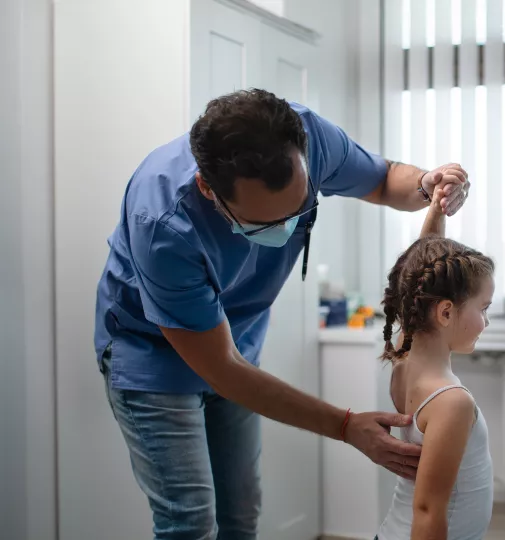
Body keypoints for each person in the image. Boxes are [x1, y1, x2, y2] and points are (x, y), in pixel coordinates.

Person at [93, 88, 470, 539]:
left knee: (242, 510)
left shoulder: (306, 134)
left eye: (298, 209)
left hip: (235, 341)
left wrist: (428, 184)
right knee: (189, 520)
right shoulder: (162, 225)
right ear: (207, 190)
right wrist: (347, 427)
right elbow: (224, 369)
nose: (288, 226)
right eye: (266, 223)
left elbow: (386, 180)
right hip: (152, 355)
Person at [374, 183, 495, 540]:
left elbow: (419, 275)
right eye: (483, 308)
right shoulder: (451, 403)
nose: (486, 321)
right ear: (445, 312)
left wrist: (437, 208)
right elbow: (428, 512)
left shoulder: (403, 363)